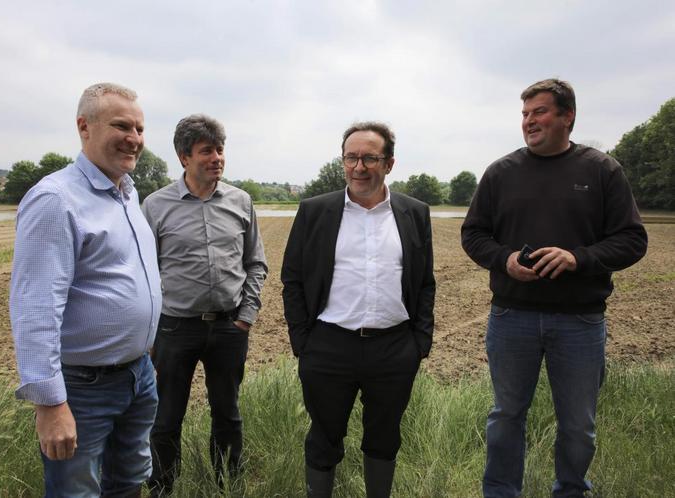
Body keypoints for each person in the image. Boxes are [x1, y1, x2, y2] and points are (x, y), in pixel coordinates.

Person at [461, 78, 648, 498]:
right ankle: (500, 492)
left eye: (539, 112)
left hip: (580, 321)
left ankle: (570, 490)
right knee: (506, 414)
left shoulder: (602, 171)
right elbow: (473, 234)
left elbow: (632, 240)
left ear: (568, 116)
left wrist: (577, 258)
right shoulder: (500, 173)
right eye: (525, 114)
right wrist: (504, 260)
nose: (529, 121)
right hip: (512, 317)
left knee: (578, 424)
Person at [9, 82, 162, 497]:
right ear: (84, 127)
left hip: (137, 375)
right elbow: (35, 308)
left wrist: (143, 350)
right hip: (83, 387)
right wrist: (51, 405)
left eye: (140, 129)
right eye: (121, 126)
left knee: (129, 481)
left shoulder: (127, 194)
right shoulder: (56, 200)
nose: (134, 138)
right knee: (75, 491)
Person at [281, 122, 436, 498]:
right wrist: (304, 341)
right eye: (351, 157)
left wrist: (419, 343)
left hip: (394, 349)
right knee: (323, 437)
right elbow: (293, 279)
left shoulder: (414, 213)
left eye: (370, 157)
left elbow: (424, 282)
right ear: (343, 161)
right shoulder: (315, 211)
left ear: (389, 163)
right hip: (329, 347)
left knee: (384, 438)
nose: (359, 167)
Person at [142, 114, 268, 495]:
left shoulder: (240, 201)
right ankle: (163, 488)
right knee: (166, 418)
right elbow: (143, 273)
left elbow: (255, 263)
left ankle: (228, 486)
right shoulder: (156, 206)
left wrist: (245, 317)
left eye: (220, 149)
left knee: (228, 415)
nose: (217, 158)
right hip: (175, 329)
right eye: (206, 151)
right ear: (184, 157)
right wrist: (148, 331)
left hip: (229, 328)